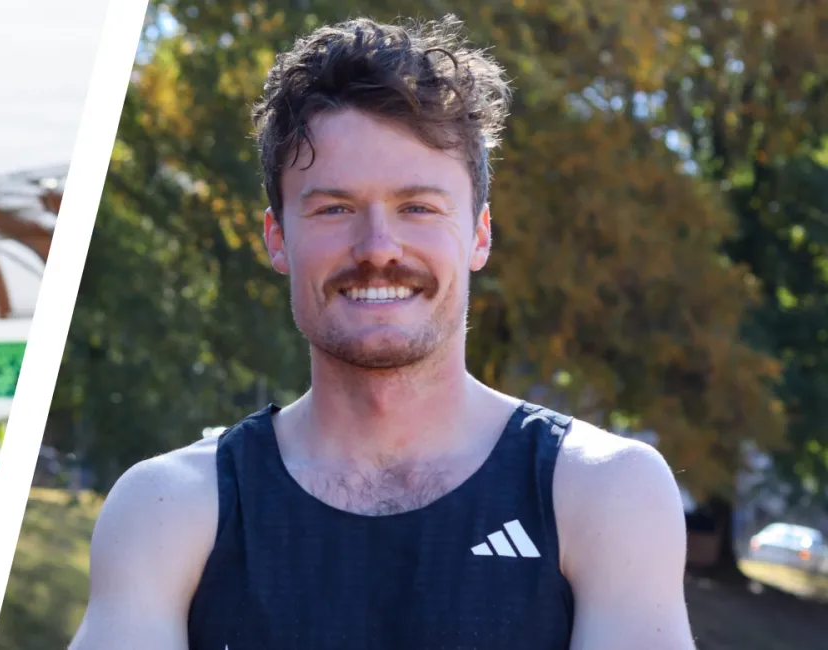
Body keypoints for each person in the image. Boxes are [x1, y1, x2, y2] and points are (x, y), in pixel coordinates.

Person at [69, 16, 694, 650]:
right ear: (277, 238)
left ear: (479, 234)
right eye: (334, 208)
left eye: (417, 207)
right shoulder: (169, 510)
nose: (377, 247)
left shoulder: (602, 492)